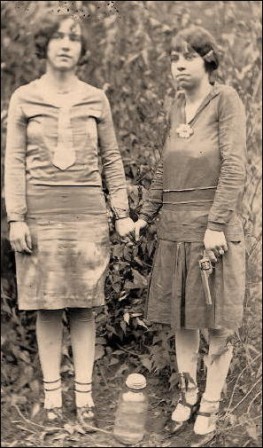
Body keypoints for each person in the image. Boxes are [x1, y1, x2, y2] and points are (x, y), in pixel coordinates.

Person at [4, 13, 134, 430]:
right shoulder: (24, 97)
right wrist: (16, 218)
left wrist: (121, 214)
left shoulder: (96, 98)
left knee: (83, 307)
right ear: (44, 45)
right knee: (46, 308)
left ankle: (85, 395)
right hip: (40, 217)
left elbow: (111, 159)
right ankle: (53, 397)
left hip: (87, 216)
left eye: (73, 38)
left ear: (82, 49)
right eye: (57, 36)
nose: (65, 43)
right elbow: (14, 161)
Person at [135, 25, 247, 445]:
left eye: (187, 56)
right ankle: (188, 393)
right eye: (172, 56)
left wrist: (216, 225)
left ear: (208, 60)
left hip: (211, 233)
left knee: (217, 323)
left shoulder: (226, 101)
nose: (178, 64)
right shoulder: (174, 106)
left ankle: (211, 405)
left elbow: (235, 167)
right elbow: (165, 168)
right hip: (175, 229)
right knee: (183, 319)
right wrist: (146, 214)